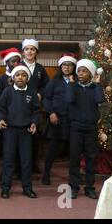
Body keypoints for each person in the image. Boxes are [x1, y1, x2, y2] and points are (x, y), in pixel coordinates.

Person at [0, 64, 40, 199]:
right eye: (17, 75)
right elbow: (0, 108)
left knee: (26, 160)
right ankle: (5, 188)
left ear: (27, 78)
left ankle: (27, 188)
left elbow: (36, 111)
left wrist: (34, 122)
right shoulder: (7, 91)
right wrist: (0, 119)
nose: (20, 77)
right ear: (13, 77)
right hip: (10, 131)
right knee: (8, 160)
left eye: (23, 75)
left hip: (25, 131)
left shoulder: (32, 93)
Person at [66, 59, 105, 199]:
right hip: (76, 128)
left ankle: (89, 187)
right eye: (79, 71)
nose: (81, 74)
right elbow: (69, 99)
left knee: (91, 158)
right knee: (74, 158)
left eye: (84, 71)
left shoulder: (95, 88)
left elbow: (100, 100)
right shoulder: (73, 86)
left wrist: (98, 84)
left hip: (91, 129)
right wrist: (70, 84)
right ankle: (73, 187)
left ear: (91, 74)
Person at [42, 53, 77, 185]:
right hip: (57, 118)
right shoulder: (54, 82)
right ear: (60, 67)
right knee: (52, 148)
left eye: (69, 65)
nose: (67, 67)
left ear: (73, 67)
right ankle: (46, 174)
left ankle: (74, 177)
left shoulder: (77, 82)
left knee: (73, 150)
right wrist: (51, 113)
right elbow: (46, 99)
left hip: (72, 120)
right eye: (64, 65)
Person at [21, 39, 50, 174]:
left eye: (32, 49)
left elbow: (46, 85)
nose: (29, 52)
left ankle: (33, 164)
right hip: (20, 106)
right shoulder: (18, 66)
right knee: (20, 136)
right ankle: (19, 166)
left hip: (35, 107)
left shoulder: (40, 69)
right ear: (23, 52)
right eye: (27, 49)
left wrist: (40, 94)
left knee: (35, 136)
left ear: (36, 52)